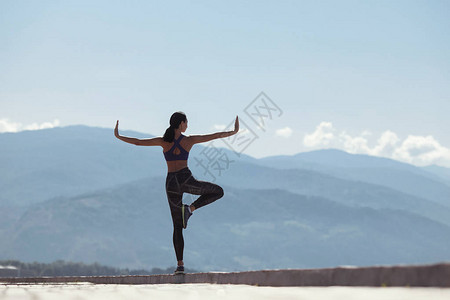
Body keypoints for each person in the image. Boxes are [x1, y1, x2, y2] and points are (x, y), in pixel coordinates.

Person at [114, 112, 239, 274]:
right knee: (218, 191)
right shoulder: (188, 140)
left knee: (177, 226)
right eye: (186, 122)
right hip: (185, 179)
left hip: (171, 183)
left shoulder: (163, 141)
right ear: (181, 124)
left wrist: (118, 136)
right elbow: (213, 136)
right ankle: (190, 209)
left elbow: (137, 142)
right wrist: (233, 132)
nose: (187, 125)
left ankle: (180, 266)